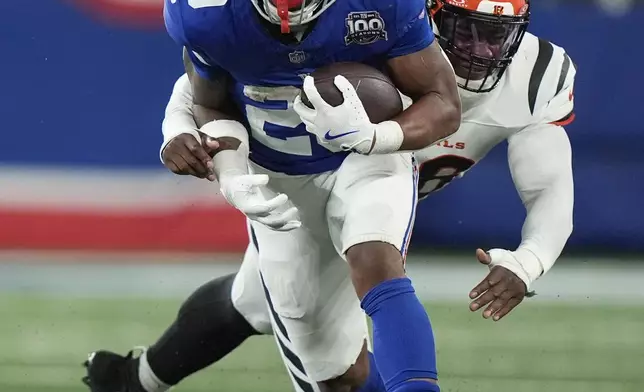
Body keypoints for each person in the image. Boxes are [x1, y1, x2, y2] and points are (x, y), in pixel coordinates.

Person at [83, 0, 575, 391]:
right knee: (286, 327)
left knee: (276, 293)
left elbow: (550, 184)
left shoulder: (533, 75)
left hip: (371, 177)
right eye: (463, 28)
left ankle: (135, 380)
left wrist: (529, 260)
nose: (478, 50)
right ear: (430, 13)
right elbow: (216, 84)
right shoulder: (370, 29)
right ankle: (137, 380)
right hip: (304, 180)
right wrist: (179, 133)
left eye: (495, 35)